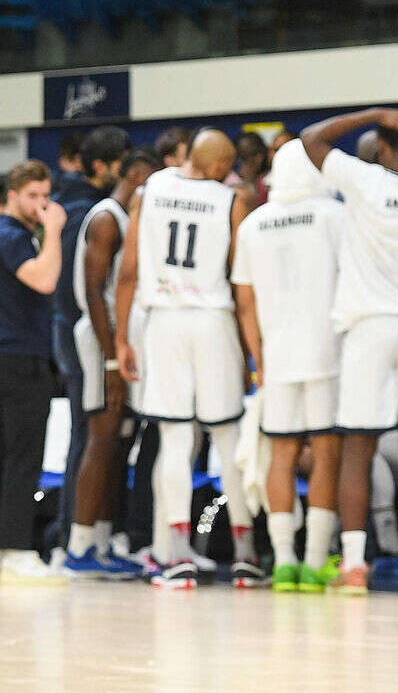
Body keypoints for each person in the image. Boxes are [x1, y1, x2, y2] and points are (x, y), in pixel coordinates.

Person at [301, 107, 398, 595]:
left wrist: (375, 112)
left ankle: (355, 567)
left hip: (369, 327)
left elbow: (310, 138)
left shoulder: (362, 180)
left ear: (379, 148)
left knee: (358, 448)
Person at [116, 130, 258, 589]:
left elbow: (130, 271)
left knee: (175, 441)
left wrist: (122, 337)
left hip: (165, 322)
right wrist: (252, 349)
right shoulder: (229, 199)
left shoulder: (150, 190)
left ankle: (176, 555)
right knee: (227, 437)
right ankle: (245, 553)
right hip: (213, 320)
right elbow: (241, 282)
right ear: (218, 165)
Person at [231, 138, 346, 593]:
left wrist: (258, 358)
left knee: (279, 455)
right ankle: (315, 562)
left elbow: (245, 301)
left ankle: (282, 561)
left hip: (276, 357)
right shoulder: (336, 217)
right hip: (328, 356)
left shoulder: (254, 225)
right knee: (327, 454)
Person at [63, 149, 160, 579]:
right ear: (137, 175)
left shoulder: (127, 218)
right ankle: (79, 545)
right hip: (101, 341)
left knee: (118, 440)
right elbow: (93, 292)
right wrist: (108, 360)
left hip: (118, 342)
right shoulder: (106, 219)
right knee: (100, 437)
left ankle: (100, 541)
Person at [0, 160, 65, 584]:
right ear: (12, 195)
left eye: (46, 196)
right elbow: (45, 280)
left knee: (3, 456)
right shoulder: (12, 237)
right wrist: (56, 232)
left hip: (1, 357)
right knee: (21, 457)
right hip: (19, 359)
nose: (41, 205)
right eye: (33, 196)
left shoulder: (0, 235)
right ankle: (16, 550)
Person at [50, 125, 131, 558]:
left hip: (69, 327)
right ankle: (70, 541)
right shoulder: (87, 211)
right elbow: (79, 286)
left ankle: (87, 537)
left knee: (93, 436)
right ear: (101, 166)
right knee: (88, 437)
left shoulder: (68, 202)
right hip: (79, 329)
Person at [226, 130, 269, 208]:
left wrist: (250, 182)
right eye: (239, 158)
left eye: (245, 157)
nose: (241, 164)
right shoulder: (231, 181)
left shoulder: (269, 181)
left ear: (260, 156)